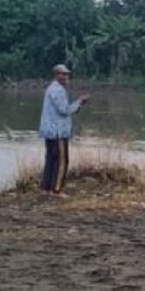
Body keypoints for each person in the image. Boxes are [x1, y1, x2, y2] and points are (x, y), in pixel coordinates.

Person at [39, 64, 89, 198]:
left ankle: (46, 188)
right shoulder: (58, 90)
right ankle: (57, 190)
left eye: (67, 74)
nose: (66, 77)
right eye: (63, 74)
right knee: (62, 161)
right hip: (58, 132)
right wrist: (79, 102)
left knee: (50, 159)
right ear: (56, 75)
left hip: (49, 132)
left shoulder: (51, 88)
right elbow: (64, 110)